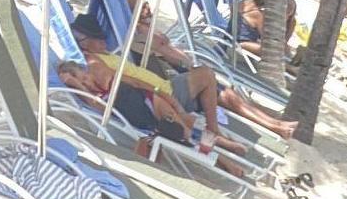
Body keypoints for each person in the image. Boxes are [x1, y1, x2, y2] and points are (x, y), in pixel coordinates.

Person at [70, 11, 298, 141]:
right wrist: (163, 95)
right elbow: (127, 82)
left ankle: (275, 125)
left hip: (165, 86)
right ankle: (215, 129)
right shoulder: (95, 62)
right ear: (84, 42)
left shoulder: (106, 53)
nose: (103, 40)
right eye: (97, 38)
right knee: (207, 75)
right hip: (161, 94)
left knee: (227, 95)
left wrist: (144, 22)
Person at [58, 60, 248, 178]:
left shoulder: (101, 74)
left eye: (75, 75)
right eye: (70, 81)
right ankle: (224, 154)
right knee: (188, 134)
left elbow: (137, 83)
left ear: (82, 69)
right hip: (140, 119)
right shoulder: (89, 96)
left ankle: (224, 161)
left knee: (187, 135)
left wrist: (168, 98)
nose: (78, 81)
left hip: (150, 101)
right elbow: (98, 106)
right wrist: (76, 84)